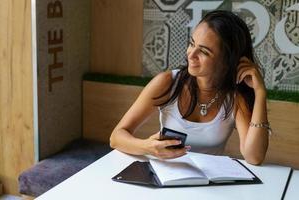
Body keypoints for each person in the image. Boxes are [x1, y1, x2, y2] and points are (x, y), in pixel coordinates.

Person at [110, 10, 270, 165]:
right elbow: (116, 137)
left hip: (210, 184)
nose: (191, 54)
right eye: (192, 44)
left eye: (204, 52)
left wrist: (260, 92)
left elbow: (254, 157)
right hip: (168, 178)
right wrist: (148, 147)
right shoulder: (167, 83)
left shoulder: (235, 98)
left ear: (227, 61)